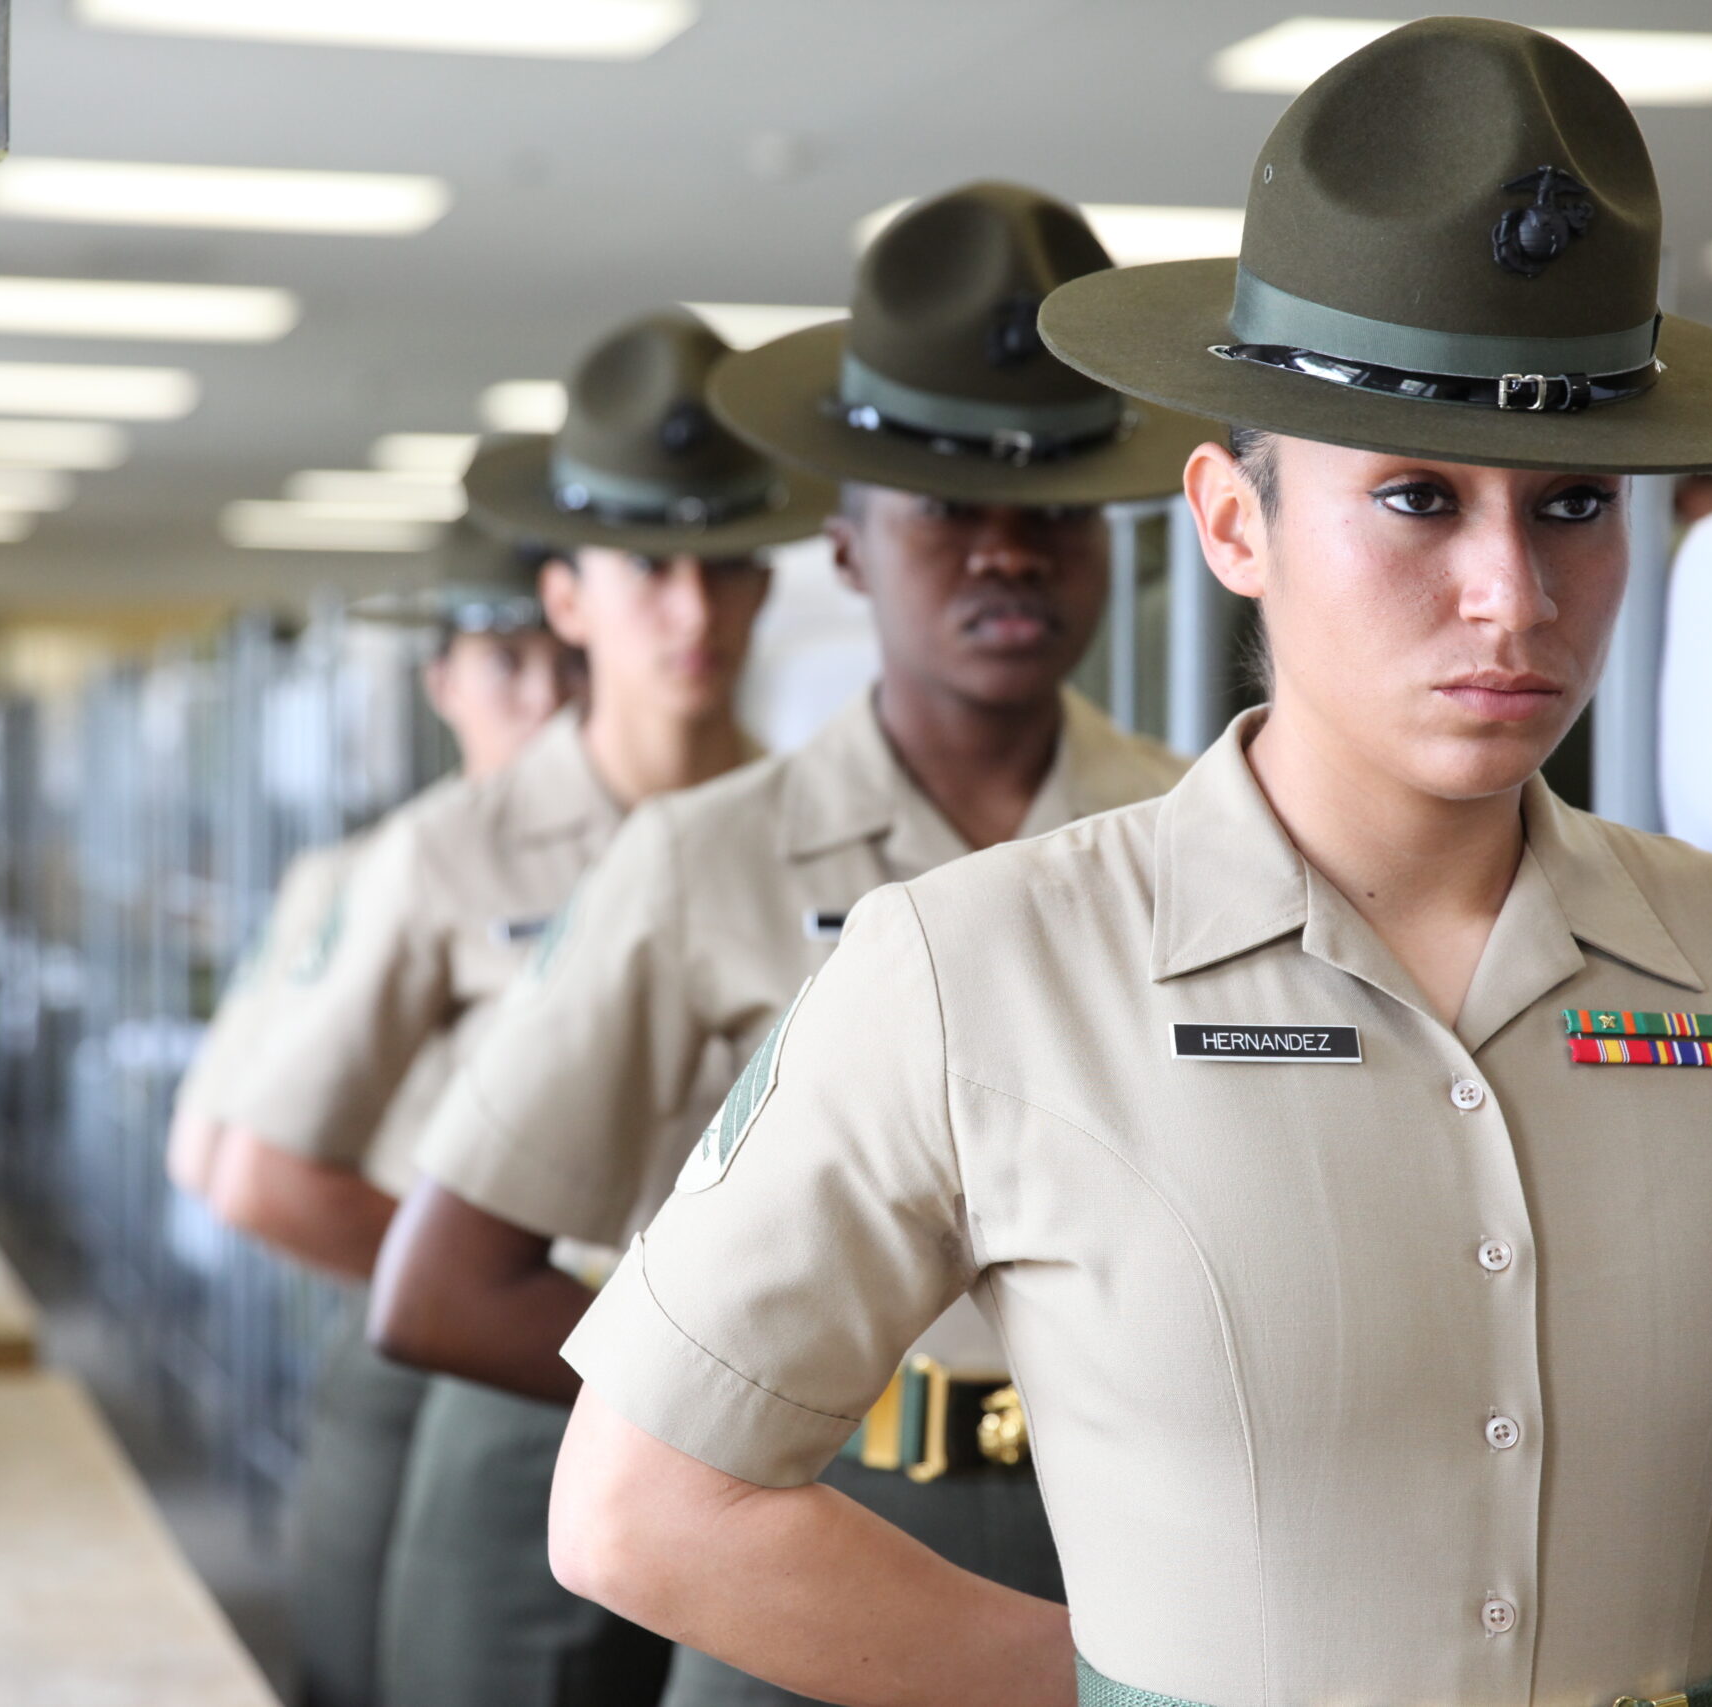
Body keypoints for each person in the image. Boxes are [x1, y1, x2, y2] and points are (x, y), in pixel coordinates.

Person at [543, 22, 1712, 1707]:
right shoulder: (973, 968)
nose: (1513, 598)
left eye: (1571, 508)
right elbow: (643, 1506)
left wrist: (1613, 1621)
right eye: (1416, 498)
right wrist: (1117, 1681)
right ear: (1233, 521)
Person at [365, 181, 1211, 1707]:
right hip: (822, 1545)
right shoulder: (700, 858)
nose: (1008, 551)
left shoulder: (1204, 839)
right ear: (846, 542)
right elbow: (443, 1280)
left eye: (1056, 506)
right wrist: (759, 1390)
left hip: (1137, 1549)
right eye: (950, 506)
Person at [225, 309, 828, 1707]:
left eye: (727, 564)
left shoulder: (826, 837)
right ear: (567, 599)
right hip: (520, 1399)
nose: (691, 610)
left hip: (780, 1426)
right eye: (647, 567)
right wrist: (544, 1309)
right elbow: (269, 1169)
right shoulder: (448, 849)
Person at [167, 513, 577, 1707]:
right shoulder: (370, 875)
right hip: (437, 1344)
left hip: (660, 1344)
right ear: (443, 681)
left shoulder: (694, 852)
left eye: (565, 660)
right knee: (378, 1666)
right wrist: (466, 1281)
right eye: (505, 662)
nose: (543, 697)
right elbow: (215, 1149)